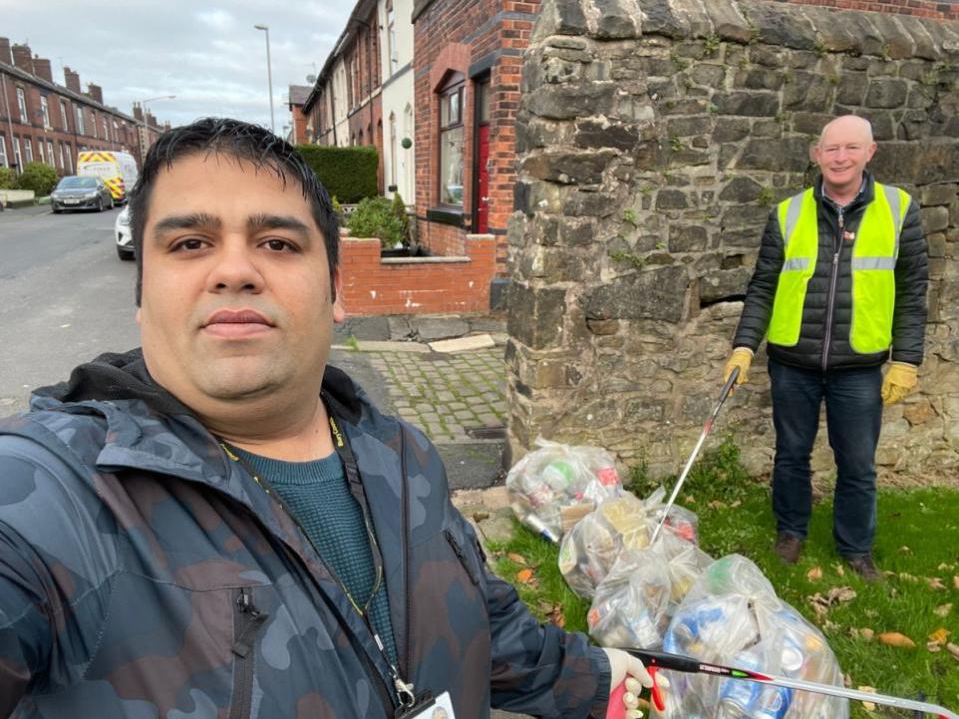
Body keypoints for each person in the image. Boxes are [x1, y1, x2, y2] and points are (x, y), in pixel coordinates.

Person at [0, 118, 656, 718]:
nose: (234, 269)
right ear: (142, 297)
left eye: (278, 242)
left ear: (337, 290)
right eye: (191, 242)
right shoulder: (54, 498)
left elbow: (473, 615)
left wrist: (592, 678)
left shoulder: (402, 454)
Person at [724, 115, 928, 582]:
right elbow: (762, 288)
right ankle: (791, 532)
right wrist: (743, 347)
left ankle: (856, 549)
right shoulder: (788, 213)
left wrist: (908, 360)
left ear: (870, 152)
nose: (840, 158)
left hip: (859, 366)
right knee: (791, 452)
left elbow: (913, 292)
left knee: (857, 462)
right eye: (831, 149)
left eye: (851, 148)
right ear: (816, 155)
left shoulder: (898, 210)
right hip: (792, 361)